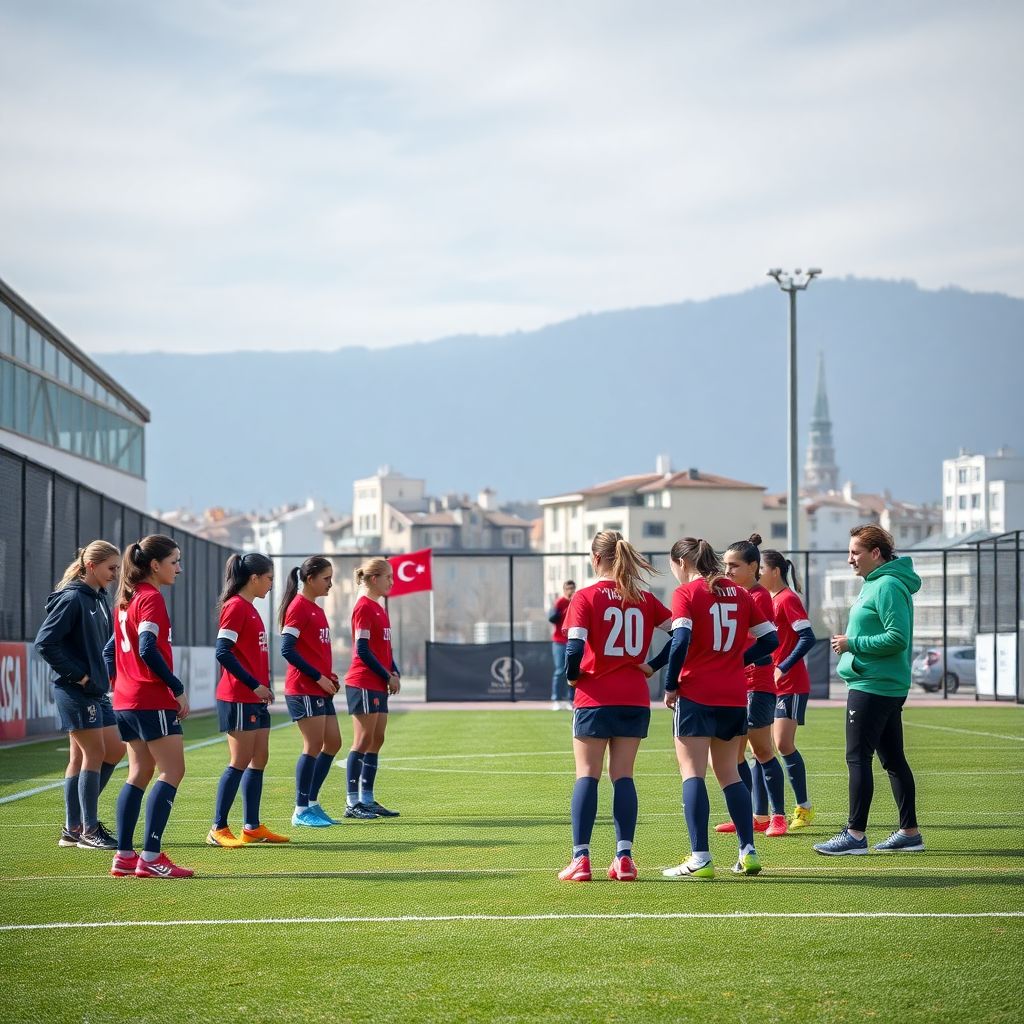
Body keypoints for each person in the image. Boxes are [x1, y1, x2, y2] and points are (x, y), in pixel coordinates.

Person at [657, 537, 778, 879]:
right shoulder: (739, 593)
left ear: (681, 563)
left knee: (693, 773)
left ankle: (700, 857)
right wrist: (735, 661)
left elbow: (679, 640)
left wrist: (670, 684)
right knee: (729, 774)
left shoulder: (687, 593)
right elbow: (770, 640)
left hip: (697, 693)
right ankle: (748, 850)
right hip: (734, 696)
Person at [557, 532, 672, 883]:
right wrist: (653, 664)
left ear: (595, 559)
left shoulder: (585, 596)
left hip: (595, 698)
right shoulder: (644, 598)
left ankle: (581, 859)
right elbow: (684, 634)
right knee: (623, 776)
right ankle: (624, 858)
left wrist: (572, 677)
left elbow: (574, 649)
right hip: (634, 698)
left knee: (587, 775)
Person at [815, 525, 924, 856]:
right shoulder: (875, 584)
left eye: (855, 553)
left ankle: (855, 835)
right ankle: (910, 833)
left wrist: (852, 643)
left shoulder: (888, 585)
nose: (850, 560)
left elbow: (897, 637)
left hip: (874, 686)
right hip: (877, 683)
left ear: (876, 554)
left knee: (857, 757)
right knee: (892, 759)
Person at [108, 535, 193, 878]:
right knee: (172, 771)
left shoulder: (125, 600)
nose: (179, 568)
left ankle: (125, 856)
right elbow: (146, 647)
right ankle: (151, 856)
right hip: (150, 698)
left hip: (126, 700)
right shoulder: (151, 598)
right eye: (174, 561)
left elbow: (108, 651)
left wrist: (120, 685)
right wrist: (176, 688)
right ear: (155, 565)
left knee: (139, 772)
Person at [34, 540, 125, 851]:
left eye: (117, 568)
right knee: (94, 754)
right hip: (75, 690)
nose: (115, 574)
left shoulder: (98, 599)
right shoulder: (73, 598)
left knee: (113, 749)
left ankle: (73, 827)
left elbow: (101, 646)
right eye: (111, 568)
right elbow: (46, 643)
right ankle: (87, 829)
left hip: (96, 691)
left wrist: (102, 673)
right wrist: (81, 675)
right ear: (91, 566)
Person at [208, 552, 289, 847]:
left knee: (259, 759)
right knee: (240, 760)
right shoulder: (236, 607)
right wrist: (255, 685)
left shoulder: (251, 608)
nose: (271, 585)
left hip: (254, 697)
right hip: (238, 696)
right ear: (254, 578)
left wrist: (263, 686)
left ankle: (252, 826)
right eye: (268, 579)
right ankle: (217, 828)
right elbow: (222, 651)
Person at [714, 534, 789, 838]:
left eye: (734, 565)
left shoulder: (757, 597)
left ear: (753, 566)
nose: (727, 570)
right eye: (725, 565)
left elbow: (765, 641)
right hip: (735, 685)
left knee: (762, 751)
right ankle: (751, 816)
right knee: (734, 756)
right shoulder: (734, 594)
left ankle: (779, 816)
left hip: (757, 685)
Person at [278, 556, 343, 828]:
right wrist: (317, 677)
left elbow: (313, 650)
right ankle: (300, 808)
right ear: (310, 579)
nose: (331, 583)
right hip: (303, 688)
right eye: (326, 578)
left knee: (334, 743)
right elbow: (287, 649)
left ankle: (313, 803)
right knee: (313, 745)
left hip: (319, 687)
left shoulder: (315, 608)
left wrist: (327, 676)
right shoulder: (298, 607)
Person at [760, 549, 818, 830]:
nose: (758, 573)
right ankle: (762, 814)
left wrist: (783, 665)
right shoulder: (766, 600)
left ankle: (804, 808)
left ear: (775, 571)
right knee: (762, 748)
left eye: (761, 568)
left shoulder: (787, 599)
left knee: (782, 744)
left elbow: (808, 637)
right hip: (767, 686)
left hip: (790, 684)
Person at [343, 557, 401, 820]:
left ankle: (367, 798)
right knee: (363, 740)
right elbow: (362, 650)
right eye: (388, 576)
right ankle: (352, 802)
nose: (392, 581)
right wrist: (387, 674)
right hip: (363, 682)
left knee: (377, 739)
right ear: (374, 579)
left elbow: (384, 649)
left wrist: (394, 670)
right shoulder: (363, 607)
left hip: (378, 682)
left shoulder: (379, 608)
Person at [547, 580, 576, 709]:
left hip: (572, 641)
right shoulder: (559, 602)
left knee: (572, 670)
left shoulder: (576, 601)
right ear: (564, 590)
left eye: (572, 588)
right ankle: (557, 699)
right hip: (559, 641)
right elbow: (552, 618)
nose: (571, 591)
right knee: (559, 671)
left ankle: (571, 699)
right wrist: (564, 610)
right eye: (568, 588)